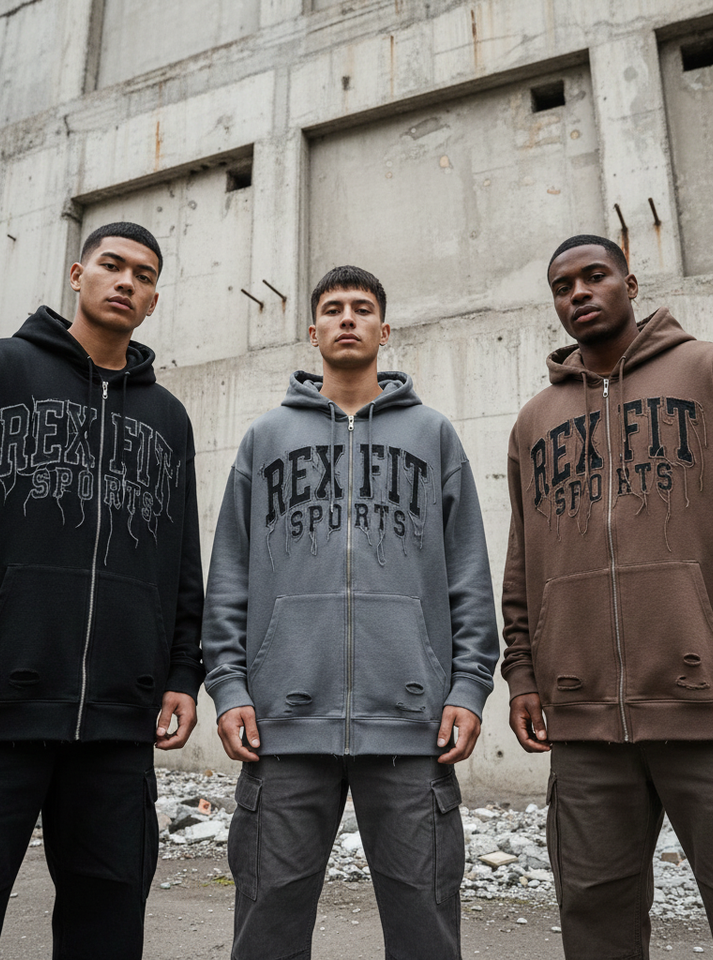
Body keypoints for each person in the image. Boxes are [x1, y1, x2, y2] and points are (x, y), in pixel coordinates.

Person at [0, 222, 204, 960]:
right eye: (112, 265)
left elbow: (181, 560)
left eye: (145, 275)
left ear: (154, 300)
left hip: (118, 725)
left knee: (105, 935)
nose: (127, 281)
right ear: (78, 274)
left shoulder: (167, 418)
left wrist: (183, 673)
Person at [501, 234, 713, 959]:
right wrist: (521, 672)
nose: (579, 293)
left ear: (630, 284)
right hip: (584, 730)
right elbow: (523, 564)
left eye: (595, 276)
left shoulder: (712, 371)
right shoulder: (534, 422)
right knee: (597, 930)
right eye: (562, 286)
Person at [202, 265, 499, 960]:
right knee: (267, 929)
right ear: (313, 332)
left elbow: (468, 573)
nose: (346, 318)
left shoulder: (433, 435)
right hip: (282, 725)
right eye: (332, 308)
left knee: (426, 928)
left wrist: (468, 687)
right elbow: (230, 574)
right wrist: (229, 687)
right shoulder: (265, 438)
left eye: (361, 308)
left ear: (383, 330)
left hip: (412, 724)